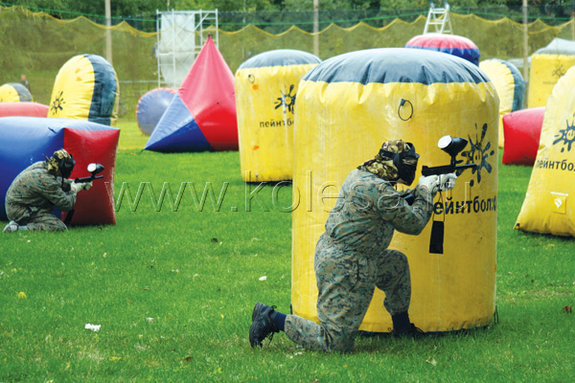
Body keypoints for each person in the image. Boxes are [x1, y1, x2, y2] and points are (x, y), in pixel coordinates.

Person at [249, 139, 457, 352]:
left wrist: (425, 189)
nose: (411, 167)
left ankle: (402, 328)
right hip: (345, 265)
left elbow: (391, 202)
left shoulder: (364, 175)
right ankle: (272, 318)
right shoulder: (379, 189)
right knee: (335, 343)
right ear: (395, 163)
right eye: (408, 162)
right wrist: (424, 189)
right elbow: (413, 223)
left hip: (356, 255)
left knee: (396, 265)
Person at [3, 149, 92, 232]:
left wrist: (76, 182)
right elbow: (66, 204)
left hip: (17, 205)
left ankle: (18, 224)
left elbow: (56, 182)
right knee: (59, 227)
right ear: (62, 166)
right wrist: (75, 189)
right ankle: (17, 228)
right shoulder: (47, 180)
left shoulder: (42, 165)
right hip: (19, 211)